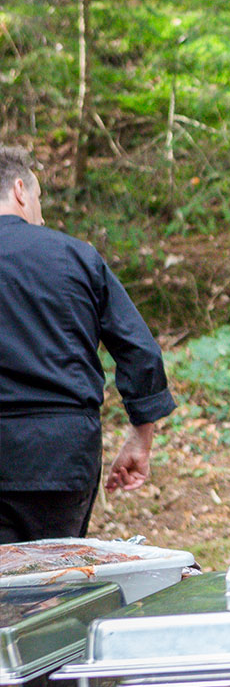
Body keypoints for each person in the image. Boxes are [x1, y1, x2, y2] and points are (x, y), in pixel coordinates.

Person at [0, 146, 174, 542]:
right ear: (21, 190)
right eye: (40, 200)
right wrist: (140, 437)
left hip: (51, 451)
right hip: (59, 455)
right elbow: (138, 350)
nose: (40, 217)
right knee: (51, 585)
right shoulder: (76, 257)